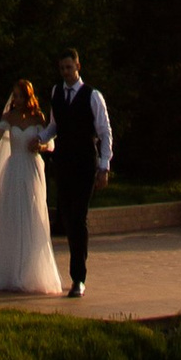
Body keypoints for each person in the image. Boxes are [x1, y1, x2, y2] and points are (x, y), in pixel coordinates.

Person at [0, 78, 62, 297]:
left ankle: (28, 270)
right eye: (14, 95)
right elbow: (0, 137)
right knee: (10, 215)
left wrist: (41, 145)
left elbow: (50, 143)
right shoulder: (8, 117)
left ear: (28, 97)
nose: (15, 100)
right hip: (14, 168)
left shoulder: (38, 117)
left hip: (32, 167)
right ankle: (5, 269)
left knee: (32, 214)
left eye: (19, 96)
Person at [47, 47, 112, 297]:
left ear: (78, 67)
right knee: (66, 217)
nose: (66, 72)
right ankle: (75, 273)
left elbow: (105, 132)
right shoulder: (56, 93)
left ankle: (78, 278)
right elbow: (54, 126)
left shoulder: (92, 96)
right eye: (62, 68)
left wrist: (104, 167)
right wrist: (38, 138)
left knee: (78, 218)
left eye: (69, 68)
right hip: (63, 163)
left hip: (85, 163)